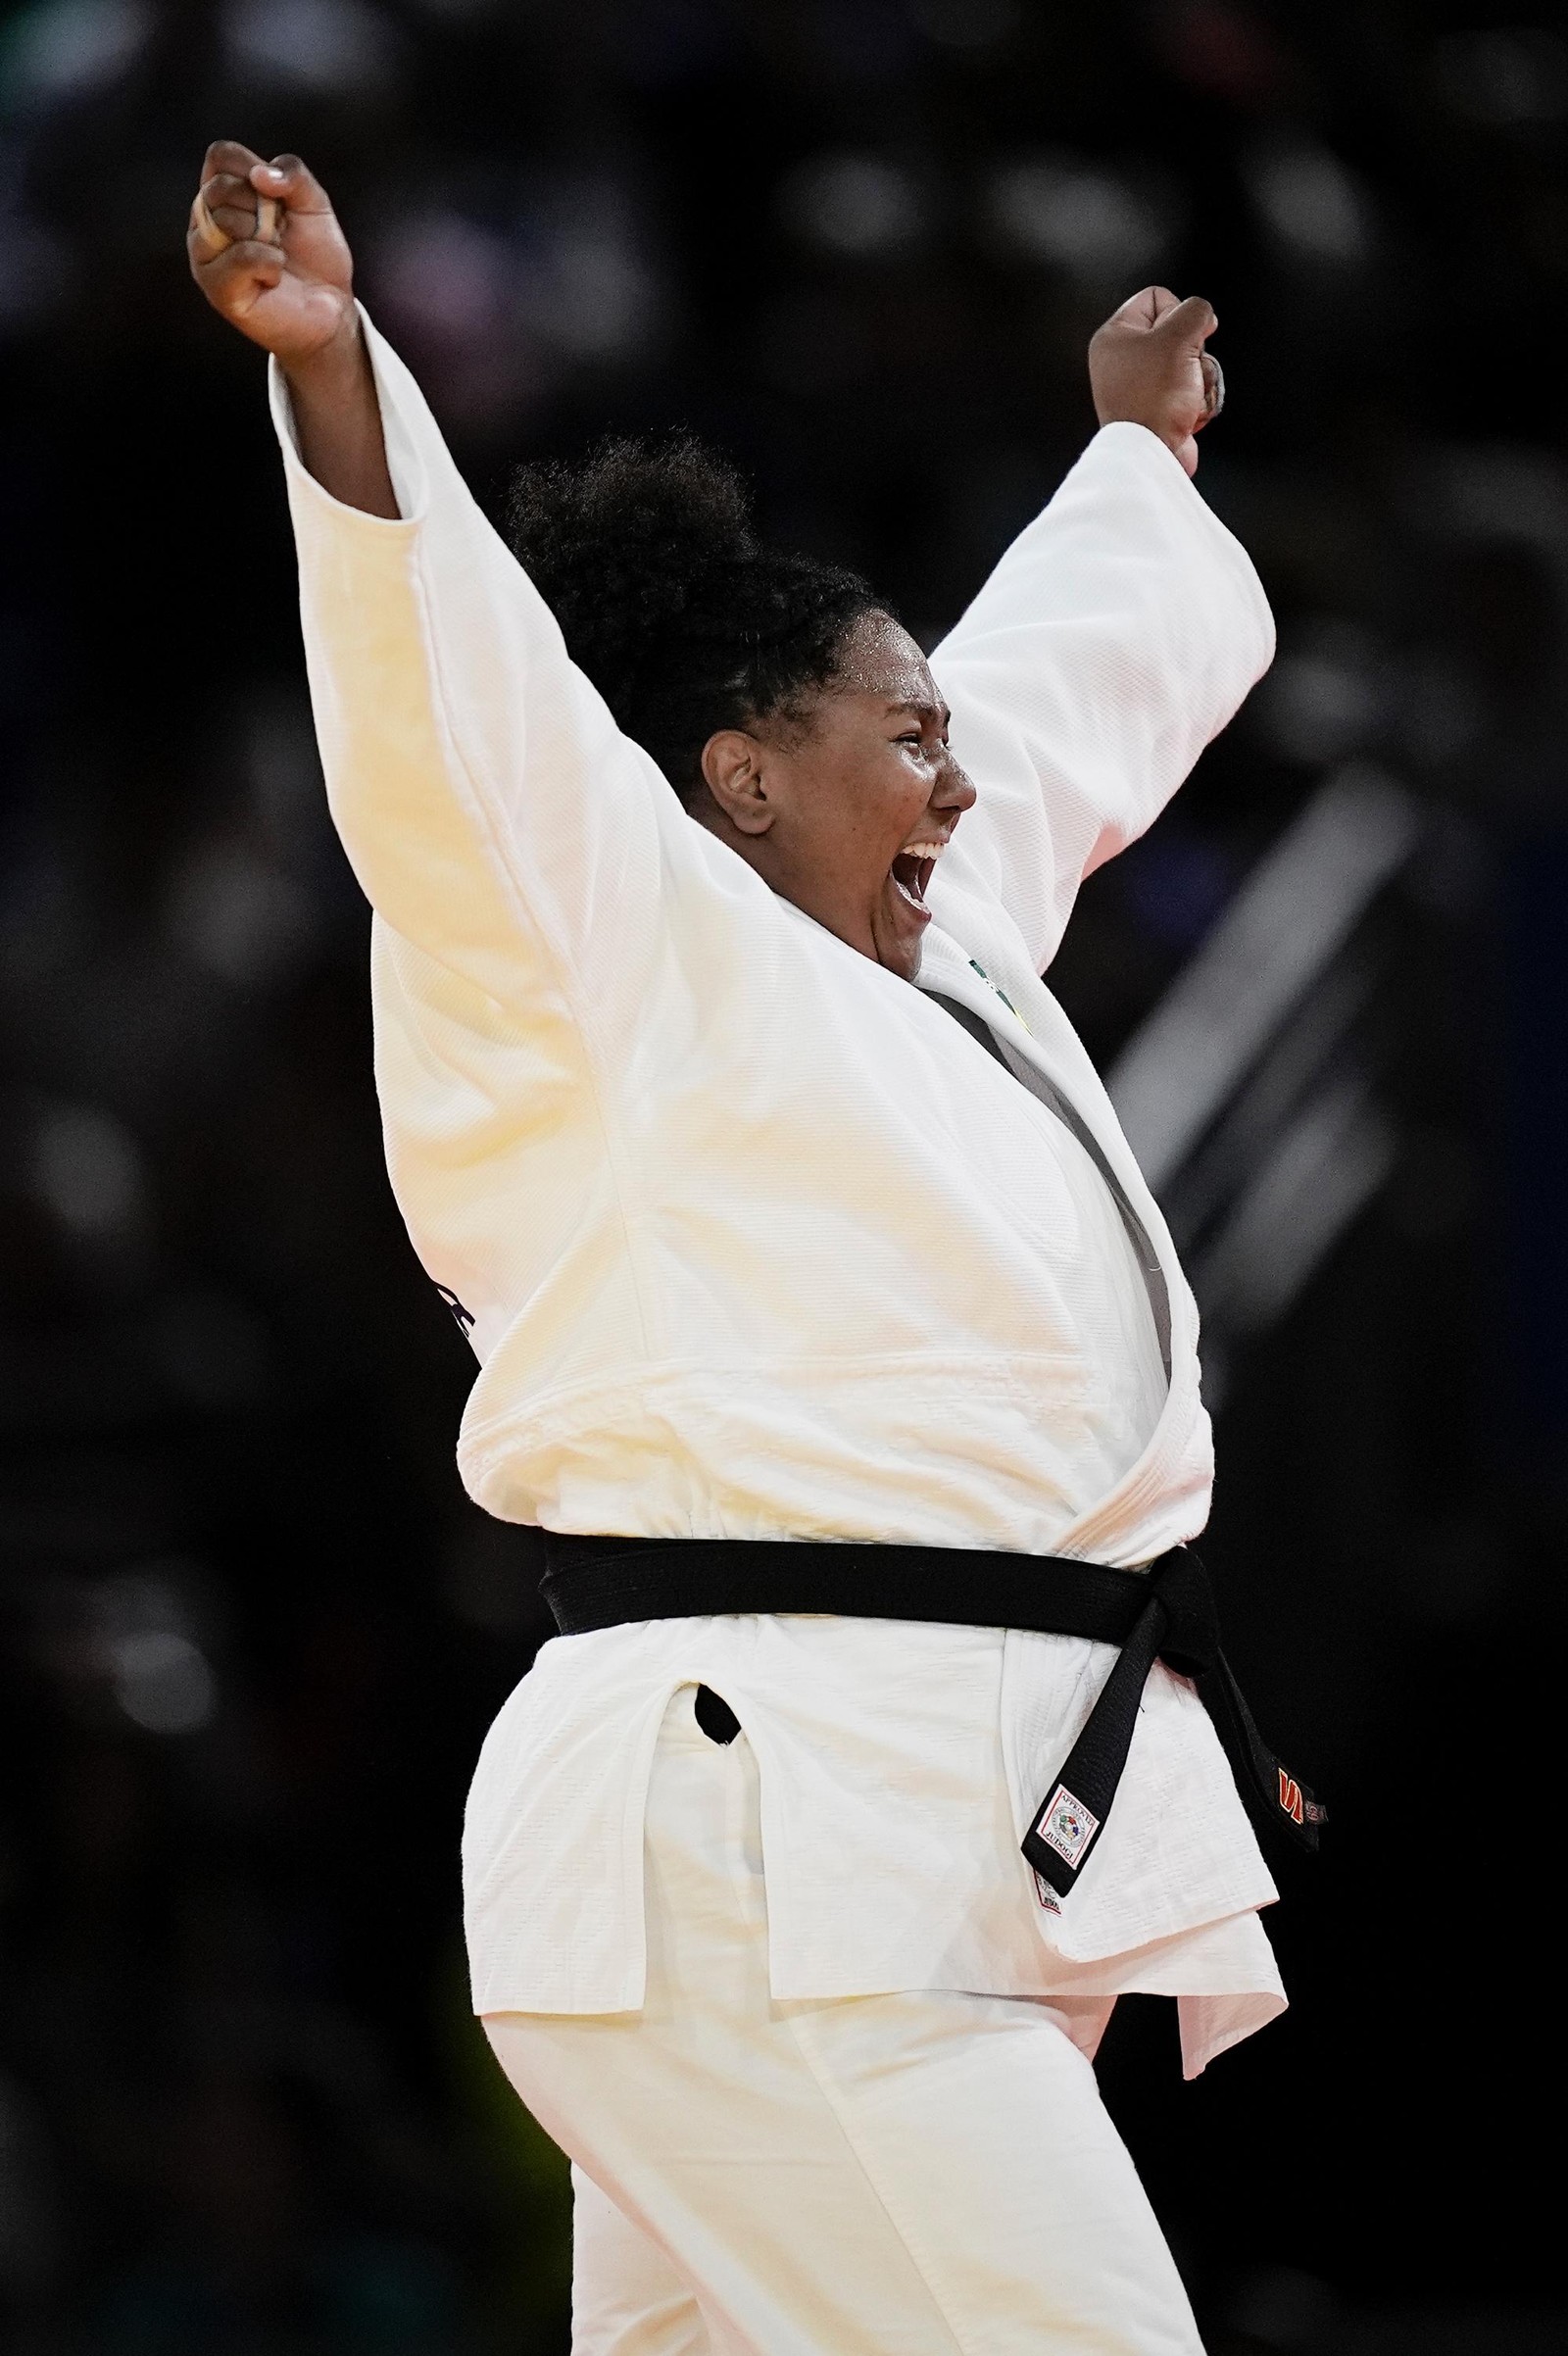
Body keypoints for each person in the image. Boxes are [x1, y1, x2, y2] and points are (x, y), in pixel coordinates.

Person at [189, 137, 1296, 2356]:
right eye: (906, 742)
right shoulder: (599, 941)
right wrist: (334, 376)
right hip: (772, 1854)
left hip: (866, 1855)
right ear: (735, 777)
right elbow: (453, 718)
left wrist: (1128, 462)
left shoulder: (940, 961)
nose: (957, 787)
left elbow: (1067, 698)